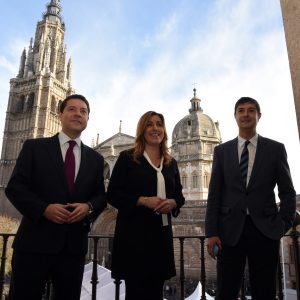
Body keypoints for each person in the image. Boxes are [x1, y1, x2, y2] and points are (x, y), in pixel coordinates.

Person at [6, 94, 107, 300]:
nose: (78, 114)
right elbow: (15, 187)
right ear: (60, 114)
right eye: (72, 109)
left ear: (88, 119)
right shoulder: (34, 147)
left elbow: (100, 196)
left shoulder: (96, 159)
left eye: (83, 111)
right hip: (34, 246)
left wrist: (88, 207)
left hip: (73, 250)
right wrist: (43, 209)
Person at [205, 97, 296, 300]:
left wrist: (281, 226)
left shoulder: (275, 149)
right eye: (241, 110)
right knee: (226, 291)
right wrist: (211, 232)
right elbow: (214, 195)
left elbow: (288, 192)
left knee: (264, 291)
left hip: (265, 230)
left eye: (251, 110)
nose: (246, 114)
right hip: (229, 231)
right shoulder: (221, 151)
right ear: (235, 116)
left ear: (258, 116)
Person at [107, 111, 185, 300]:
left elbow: (179, 196)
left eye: (159, 124)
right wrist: (142, 200)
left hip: (160, 237)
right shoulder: (127, 158)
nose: (155, 128)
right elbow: (112, 194)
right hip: (133, 237)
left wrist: (173, 202)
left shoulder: (170, 162)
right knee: (134, 293)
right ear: (142, 130)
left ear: (164, 131)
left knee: (156, 293)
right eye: (149, 124)